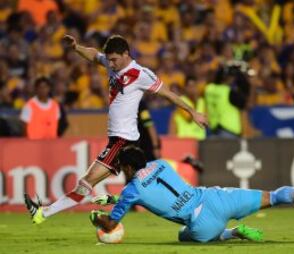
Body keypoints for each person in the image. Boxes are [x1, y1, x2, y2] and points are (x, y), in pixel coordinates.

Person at [24, 34, 207, 224]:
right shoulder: (113, 65)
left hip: (123, 140)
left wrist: (193, 112)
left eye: (114, 60)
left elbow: (168, 94)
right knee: (143, 186)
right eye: (109, 60)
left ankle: (43, 214)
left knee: (87, 183)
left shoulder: (140, 73)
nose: (110, 64)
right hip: (118, 139)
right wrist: (76, 47)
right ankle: (190, 211)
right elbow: (94, 56)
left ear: (126, 54)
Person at [89, 146, 294, 243]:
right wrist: (115, 200)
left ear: (129, 167)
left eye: (121, 166)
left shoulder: (131, 190)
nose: (120, 170)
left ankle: (233, 233)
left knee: (183, 236)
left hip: (203, 224)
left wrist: (97, 218)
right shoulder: (161, 164)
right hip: (216, 198)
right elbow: (154, 190)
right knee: (273, 196)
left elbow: (112, 223)